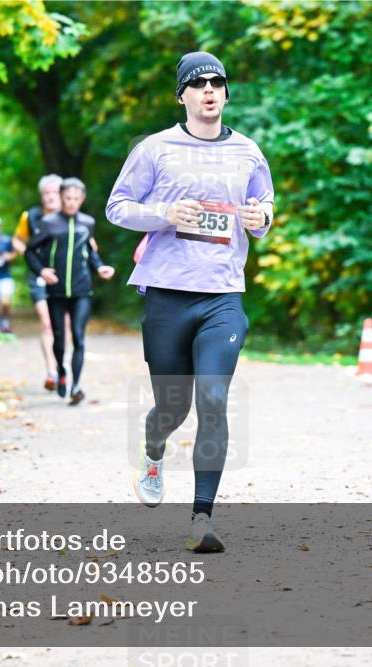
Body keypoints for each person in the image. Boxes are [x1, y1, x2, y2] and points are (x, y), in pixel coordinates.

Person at [105, 52, 275, 553]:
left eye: (216, 83)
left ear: (225, 92)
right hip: (166, 293)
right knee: (172, 407)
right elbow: (118, 207)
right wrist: (164, 212)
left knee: (215, 398)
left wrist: (259, 217)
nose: (208, 91)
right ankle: (153, 448)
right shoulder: (155, 149)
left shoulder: (248, 151)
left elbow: (265, 205)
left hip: (223, 294)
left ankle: (202, 517)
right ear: (181, 95)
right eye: (197, 84)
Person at [26, 178, 115, 405]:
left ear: (82, 199)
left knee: (78, 336)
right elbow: (30, 252)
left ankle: (76, 385)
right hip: (56, 291)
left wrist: (100, 266)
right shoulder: (48, 223)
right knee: (58, 338)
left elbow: (90, 251)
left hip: (81, 290)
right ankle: (61, 373)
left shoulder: (88, 223)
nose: (72, 202)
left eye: (76, 199)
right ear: (61, 197)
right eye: (68, 198)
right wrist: (42, 270)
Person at [13, 175, 63, 389]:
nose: (50, 197)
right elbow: (17, 240)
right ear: (41, 195)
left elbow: (88, 240)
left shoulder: (71, 216)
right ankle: (51, 371)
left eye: (54, 192)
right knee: (47, 321)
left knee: (64, 324)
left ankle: (63, 366)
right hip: (38, 275)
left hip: (64, 274)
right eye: (46, 193)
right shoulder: (31, 216)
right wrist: (30, 256)